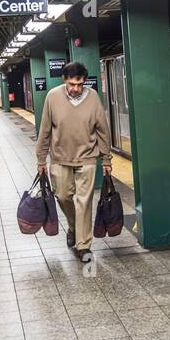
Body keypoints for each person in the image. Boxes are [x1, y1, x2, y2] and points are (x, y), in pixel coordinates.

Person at [35, 61, 111, 262]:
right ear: (64, 81)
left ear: (84, 81)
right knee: (63, 196)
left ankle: (83, 245)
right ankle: (74, 227)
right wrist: (41, 158)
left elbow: (103, 130)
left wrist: (106, 159)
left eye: (79, 84)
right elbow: (45, 130)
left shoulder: (93, 98)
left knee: (83, 202)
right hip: (60, 158)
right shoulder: (53, 96)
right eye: (71, 84)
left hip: (87, 157)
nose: (75, 89)